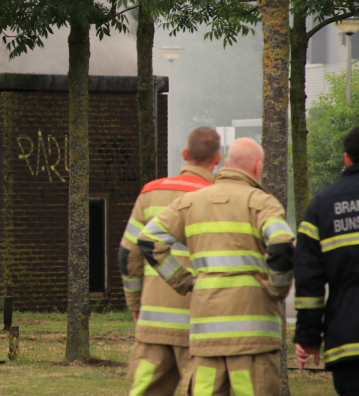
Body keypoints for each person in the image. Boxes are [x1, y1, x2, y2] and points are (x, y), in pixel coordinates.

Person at [137, 138, 295, 395]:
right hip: (252, 337)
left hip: (205, 336)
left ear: (227, 164)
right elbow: (282, 245)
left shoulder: (189, 202)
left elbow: (147, 241)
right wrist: (277, 288)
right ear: (257, 168)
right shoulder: (262, 203)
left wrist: (184, 281)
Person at [120, 127, 222, 396]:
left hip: (153, 323)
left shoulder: (149, 193)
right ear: (218, 159)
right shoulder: (219, 197)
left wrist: (135, 305)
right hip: (201, 323)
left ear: (185, 154)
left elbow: (128, 254)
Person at [294, 125, 359, 395]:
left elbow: (309, 280)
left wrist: (308, 338)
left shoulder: (323, 205)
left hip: (349, 342)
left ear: (346, 158)